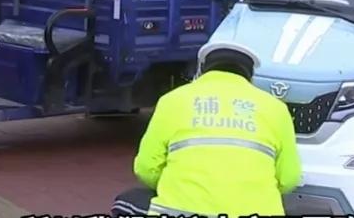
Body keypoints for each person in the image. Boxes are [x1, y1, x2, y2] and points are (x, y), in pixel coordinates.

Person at [111, 43, 301, 216]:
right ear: (250, 76)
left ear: (202, 70)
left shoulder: (173, 100)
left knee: (128, 201)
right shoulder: (275, 108)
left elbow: (146, 169)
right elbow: (289, 179)